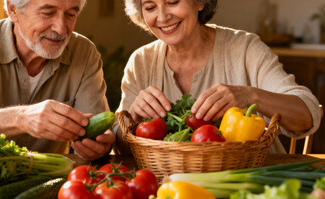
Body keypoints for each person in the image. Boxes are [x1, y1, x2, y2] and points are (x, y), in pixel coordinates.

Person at [116, 0, 321, 153]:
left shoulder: (245, 48)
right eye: (150, 7)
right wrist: (133, 119)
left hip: (253, 184)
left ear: (199, 2)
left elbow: (308, 115)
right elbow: (120, 148)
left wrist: (250, 96)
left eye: (172, 1)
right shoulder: (141, 62)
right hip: (176, 193)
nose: (162, 17)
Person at [0, 0, 115, 160]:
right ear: (13, 10)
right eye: (48, 13)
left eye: (70, 14)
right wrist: (21, 118)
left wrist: (99, 145)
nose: (61, 28)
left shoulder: (84, 53)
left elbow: (97, 131)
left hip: (48, 185)